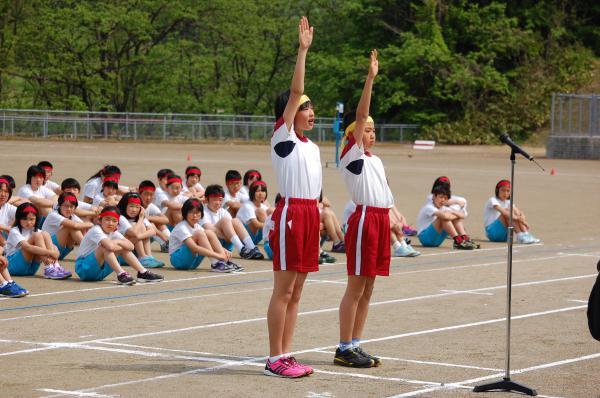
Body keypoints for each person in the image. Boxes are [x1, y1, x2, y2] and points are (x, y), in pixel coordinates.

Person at [264, 16, 319, 378]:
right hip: (290, 215)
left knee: (297, 291)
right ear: (289, 113)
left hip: (310, 214)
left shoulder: (311, 147)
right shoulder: (282, 139)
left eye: (311, 107)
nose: (310, 112)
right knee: (284, 290)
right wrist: (302, 51)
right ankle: (273, 358)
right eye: (303, 106)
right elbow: (295, 88)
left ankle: (288, 353)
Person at [336, 49, 393, 368]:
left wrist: (395, 218)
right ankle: (343, 346)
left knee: (369, 287)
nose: (369, 133)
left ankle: (356, 343)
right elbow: (359, 116)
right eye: (365, 130)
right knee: (356, 285)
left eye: (373, 130)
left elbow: (386, 194)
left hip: (381, 219)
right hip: (364, 221)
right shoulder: (351, 156)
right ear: (353, 135)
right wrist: (370, 79)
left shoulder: (377, 160)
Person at [74, 206, 163, 284]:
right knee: (105, 247)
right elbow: (110, 247)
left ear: (117, 223)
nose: (110, 223)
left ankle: (142, 272)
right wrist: (118, 244)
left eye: (114, 221)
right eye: (107, 219)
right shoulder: (96, 230)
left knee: (121, 247)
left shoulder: (114, 233)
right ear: (100, 220)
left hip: (100, 272)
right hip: (84, 269)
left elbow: (131, 246)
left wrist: (118, 242)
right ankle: (121, 274)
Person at [169, 198, 237, 272]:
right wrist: (218, 255)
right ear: (185, 213)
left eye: (197, 212)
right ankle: (215, 263)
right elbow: (194, 248)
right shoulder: (181, 227)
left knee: (208, 233)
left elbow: (209, 242)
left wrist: (224, 251)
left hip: (193, 262)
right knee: (200, 233)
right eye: (191, 212)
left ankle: (224, 261)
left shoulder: (197, 226)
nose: (194, 215)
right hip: (179, 261)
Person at [6, 202, 69, 279]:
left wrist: (55, 253)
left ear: (36, 219)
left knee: (45, 234)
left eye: (32, 219)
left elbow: (54, 249)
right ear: (18, 218)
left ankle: (55, 266)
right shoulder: (15, 231)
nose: (28, 222)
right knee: (37, 235)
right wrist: (51, 253)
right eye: (25, 219)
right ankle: (49, 267)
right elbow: (27, 247)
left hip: (31, 270)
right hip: (14, 267)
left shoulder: (37, 231)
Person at [202, 184, 263, 263]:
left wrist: (228, 236)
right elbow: (209, 229)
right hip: (213, 244)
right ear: (206, 199)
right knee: (225, 221)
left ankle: (252, 248)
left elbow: (231, 228)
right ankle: (241, 249)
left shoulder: (223, 211)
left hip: (227, 244)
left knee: (235, 221)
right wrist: (227, 236)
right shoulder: (203, 212)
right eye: (214, 199)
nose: (218, 202)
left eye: (220, 200)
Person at [416, 184, 478, 249]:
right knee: (443, 217)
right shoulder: (429, 207)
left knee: (452, 216)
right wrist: (455, 215)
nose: (443, 200)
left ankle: (465, 239)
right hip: (425, 239)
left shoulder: (443, 208)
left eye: (445, 198)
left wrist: (453, 212)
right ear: (434, 196)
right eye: (441, 197)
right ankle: (458, 241)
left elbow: (463, 216)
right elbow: (445, 216)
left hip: (437, 241)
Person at [483, 179, 541, 244]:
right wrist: (518, 219)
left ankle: (526, 234)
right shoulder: (493, 200)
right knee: (508, 212)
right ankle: (519, 235)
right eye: (503, 190)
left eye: (508, 191)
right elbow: (504, 212)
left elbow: (519, 212)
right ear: (497, 190)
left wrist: (522, 219)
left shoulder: (508, 202)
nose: (505, 193)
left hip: (505, 235)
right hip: (492, 233)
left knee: (513, 211)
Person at [117, 193, 164, 268]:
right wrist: (141, 219)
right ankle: (143, 257)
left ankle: (148, 257)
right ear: (124, 205)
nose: (134, 210)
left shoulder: (139, 217)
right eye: (131, 206)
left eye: (137, 207)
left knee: (141, 227)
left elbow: (153, 232)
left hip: (133, 252)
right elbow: (134, 233)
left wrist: (139, 236)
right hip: (121, 254)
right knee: (136, 226)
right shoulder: (121, 217)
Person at [42, 192, 93, 261]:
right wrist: (90, 224)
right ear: (59, 205)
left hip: (61, 252)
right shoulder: (53, 215)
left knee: (78, 226)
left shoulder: (72, 216)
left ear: (75, 208)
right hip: (49, 250)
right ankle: (89, 253)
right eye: (66, 206)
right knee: (70, 226)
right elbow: (76, 225)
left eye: (71, 206)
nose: (69, 209)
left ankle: (88, 251)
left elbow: (82, 226)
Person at [138, 180, 171, 252]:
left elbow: (166, 220)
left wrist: (148, 218)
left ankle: (169, 243)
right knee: (151, 224)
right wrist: (162, 235)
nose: (149, 197)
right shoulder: (135, 206)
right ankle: (168, 243)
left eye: (151, 195)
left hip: (147, 235)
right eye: (146, 194)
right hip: (136, 239)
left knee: (159, 223)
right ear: (139, 194)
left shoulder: (151, 206)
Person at [236, 180, 270, 245]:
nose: (261, 194)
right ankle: (268, 242)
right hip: (243, 238)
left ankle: (271, 241)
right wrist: (272, 226)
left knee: (270, 211)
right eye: (257, 191)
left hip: (255, 238)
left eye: (263, 191)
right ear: (252, 192)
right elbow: (255, 224)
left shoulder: (263, 206)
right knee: (261, 212)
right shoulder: (247, 205)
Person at [0, 176, 17, 246]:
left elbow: (23, 214)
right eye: (0, 191)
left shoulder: (7, 206)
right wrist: (6, 228)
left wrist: (11, 225)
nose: (3, 194)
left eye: (6, 191)